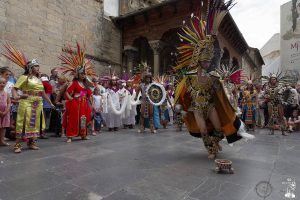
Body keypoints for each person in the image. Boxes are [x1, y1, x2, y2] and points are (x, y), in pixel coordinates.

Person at [174, 10, 253, 159]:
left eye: (209, 61)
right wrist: (179, 105)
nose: (207, 63)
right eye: (205, 60)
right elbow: (181, 93)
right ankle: (210, 149)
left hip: (210, 106)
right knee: (203, 130)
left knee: (218, 128)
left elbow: (221, 95)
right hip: (196, 108)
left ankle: (215, 143)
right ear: (198, 60)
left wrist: (229, 103)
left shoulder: (214, 77)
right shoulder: (189, 77)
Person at [60, 43, 95, 143]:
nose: (84, 75)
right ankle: (70, 136)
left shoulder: (85, 84)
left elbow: (88, 92)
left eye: (84, 73)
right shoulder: (74, 83)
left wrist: (91, 104)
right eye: (82, 73)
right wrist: (71, 99)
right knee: (73, 119)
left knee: (83, 119)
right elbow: (67, 93)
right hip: (75, 104)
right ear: (77, 74)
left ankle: (83, 134)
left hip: (83, 104)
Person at [134, 64, 156, 134]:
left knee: (151, 114)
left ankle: (152, 128)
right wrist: (136, 96)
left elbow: (156, 92)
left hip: (150, 101)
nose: (148, 79)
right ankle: (141, 127)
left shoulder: (152, 85)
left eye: (149, 78)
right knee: (142, 114)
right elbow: (137, 90)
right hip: (143, 101)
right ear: (144, 78)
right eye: (147, 78)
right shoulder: (141, 85)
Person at [0, 77, 11, 146]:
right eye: (0, 83)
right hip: (0, 112)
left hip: (5, 113)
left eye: (3, 83)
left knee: (3, 127)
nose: (2, 84)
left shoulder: (6, 93)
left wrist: (6, 111)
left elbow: (9, 103)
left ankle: (2, 140)